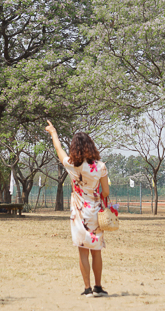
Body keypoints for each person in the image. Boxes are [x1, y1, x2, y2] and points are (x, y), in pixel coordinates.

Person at [45, 120, 110, 297]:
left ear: (74, 148)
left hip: (79, 213)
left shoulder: (71, 164)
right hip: (96, 212)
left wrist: (54, 133)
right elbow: (106, 192)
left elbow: (59, 150)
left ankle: (87, 289)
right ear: (91, 146)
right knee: (96, 251)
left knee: (83, 251)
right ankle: (98, 287)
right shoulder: (100, 167)